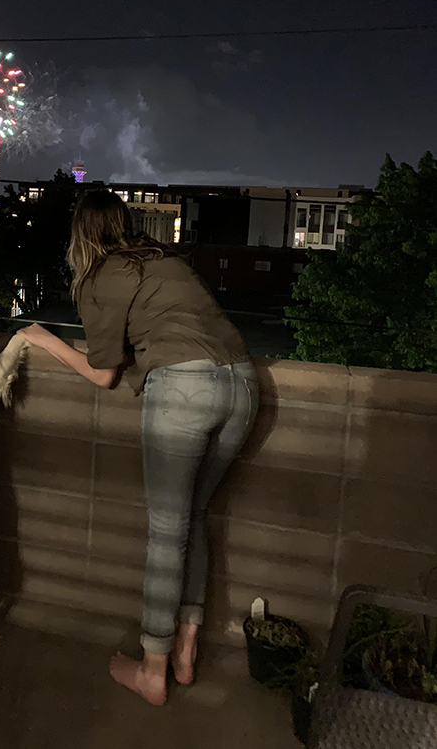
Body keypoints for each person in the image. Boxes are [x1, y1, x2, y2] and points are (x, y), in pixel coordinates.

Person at [18, 189, 258, 705]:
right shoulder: (163, 259)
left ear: (80, 234)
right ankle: (185, 655)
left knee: (166, 533)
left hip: (185, 391)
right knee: (194, 518)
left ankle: (153, 669)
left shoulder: (99, 275)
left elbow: (104, 373)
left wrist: (45, 339)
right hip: (242, 386)